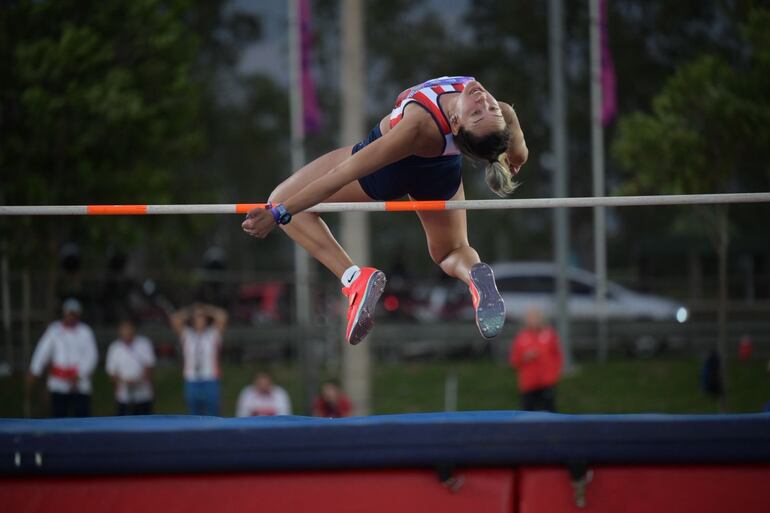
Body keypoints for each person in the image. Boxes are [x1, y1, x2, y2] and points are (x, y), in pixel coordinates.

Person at [242, 76, 529, 345]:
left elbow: (341, 175)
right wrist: (508, 157)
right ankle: (474, 273)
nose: (483, 101)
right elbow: (518, 153)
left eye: (477, 114)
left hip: (391, 169)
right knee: (451, 252)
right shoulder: (503, 113)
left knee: (284, 199)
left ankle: (354, 279)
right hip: (441, 172)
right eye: (489, 108)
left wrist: (278, 212)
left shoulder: (417, 126)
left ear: (455, 124)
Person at [27, 298, 98, 417]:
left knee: (82, 418)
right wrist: (35, 370)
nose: (71, 317)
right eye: (69, 313)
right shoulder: (54, 330)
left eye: (74, 314)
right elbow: (42, 352)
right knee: (59, 418)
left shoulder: (85, 331)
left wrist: (79, 375)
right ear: (64, 313)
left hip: (80, 384)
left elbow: (92, 356)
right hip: (58, 384)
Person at [169, 303, 228, 416]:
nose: (200, 321)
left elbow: (222, 316)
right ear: (193, 321)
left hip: (210, 378)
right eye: (197, 318)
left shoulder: (213, 334)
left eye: (203, 319)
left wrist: (205, 310)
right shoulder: (187, 334)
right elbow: (174, 318)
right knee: (194, 414)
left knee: (213, 413)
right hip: (192, 379)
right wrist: (192, 311)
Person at [509, 308, 563, 412]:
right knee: (529, 413)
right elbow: (514, 361)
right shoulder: (521, 337)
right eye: (530, 318)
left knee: (549, 411)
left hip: (547, 382)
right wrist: (525, 358)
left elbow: (557, 356)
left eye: (536, 318)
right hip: (528, 383)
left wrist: (554, 374)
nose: (533, 321)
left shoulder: (550, 335)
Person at [105, 319, 156, 415]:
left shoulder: (144, 344)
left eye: (129, 330)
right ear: (120, 332)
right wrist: (124, 382)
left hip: (143, 395)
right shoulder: (114, 348)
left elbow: (149, 366)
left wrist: (138, 380)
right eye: (124, 331)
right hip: (123, 396)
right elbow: (112, 372)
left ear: (134, 330)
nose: (127, 333)